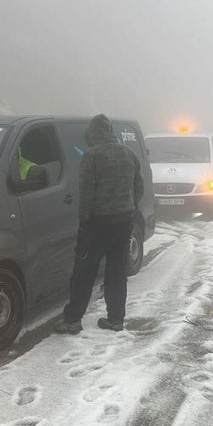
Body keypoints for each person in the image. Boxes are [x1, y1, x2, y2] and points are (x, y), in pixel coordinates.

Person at [54, 114, 144, 334]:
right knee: (117, 272)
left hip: (97, 224)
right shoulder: (129, 153)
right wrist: (129, 208)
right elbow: (138, 187)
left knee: (84, 273)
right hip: (124, 222)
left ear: (94, 135)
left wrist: (84, 222)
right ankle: (115, 318)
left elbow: (86, 193)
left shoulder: (91, 157)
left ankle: (73, 319)